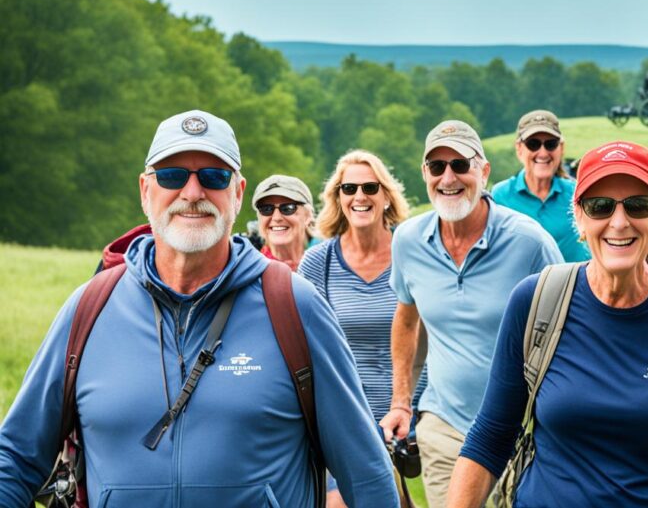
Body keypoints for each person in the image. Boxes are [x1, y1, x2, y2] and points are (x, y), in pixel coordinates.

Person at [0, 109, 398, 507]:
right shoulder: (89, 308)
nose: (192, 193)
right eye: (172, 176)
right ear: (145, 190)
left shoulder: (295, 307)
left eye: (213, 177)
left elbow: (366, 473)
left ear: (238, 193)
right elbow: (15, 459)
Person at [448, 141, 648, 508]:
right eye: (600, 206)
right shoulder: (536, 301)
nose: (619, 222)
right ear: (579, 217)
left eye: (637, 205)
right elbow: (492, 436)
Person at [379, 120, 563, 508]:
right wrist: (401, 401)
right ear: (424, 174)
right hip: (444, 425)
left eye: (461, 165)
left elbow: (570, 324)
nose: (449, 177)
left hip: (522, 430)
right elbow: (407, 320)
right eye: (437, 167)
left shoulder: (528, 241)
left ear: (484, 171)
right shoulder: (409, 241)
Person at [298, 150, 428, 508]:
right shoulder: (318, 263)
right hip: (346, 420)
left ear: (386, 195)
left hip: (414, 417)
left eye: (370, 187)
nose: (359, 196)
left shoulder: (414, 250)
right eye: (348, 188)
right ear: (337, 198)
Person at [491, 110, 590, 262]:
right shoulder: (500, 196)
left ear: (561, 148)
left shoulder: (577, 192)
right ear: (519, 149)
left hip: (572, 284)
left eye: (550, 144)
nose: (543, 153)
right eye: (533, 144)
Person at [253, 174, 318, 271]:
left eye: (288, 208)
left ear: (308, 216)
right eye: (266, 209)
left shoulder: (331, 260)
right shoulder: (247, 265)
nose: (276, 217)